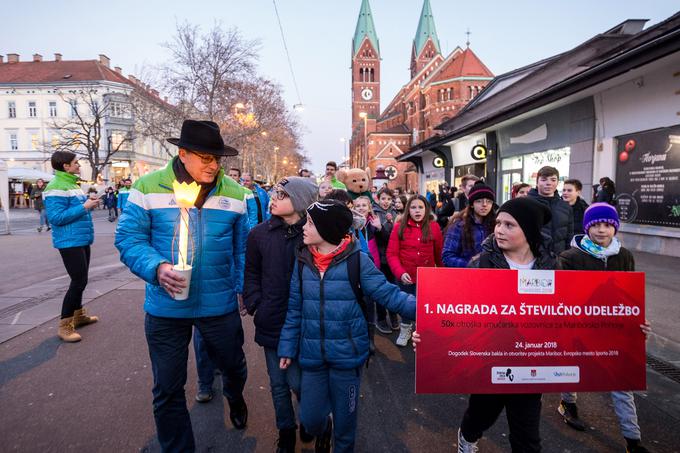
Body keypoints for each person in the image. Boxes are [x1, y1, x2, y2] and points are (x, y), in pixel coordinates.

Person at [115, 120, 250, 452]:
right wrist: (156, 267)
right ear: (183, 153)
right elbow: (129, 238)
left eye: (218, 158)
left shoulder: (235, 192)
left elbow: (243, 247)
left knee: (234, 365)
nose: (214, 165)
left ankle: (234, 394)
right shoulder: (147, 187)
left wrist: (244, 286)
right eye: (205, 157)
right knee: (167, 388)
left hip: (219, 304)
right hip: (166, 306)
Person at [415, 196, 555, 453]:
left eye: (509, 225)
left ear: (530, 230)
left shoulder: (552, 265)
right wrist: (429, 332)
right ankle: (467, 436)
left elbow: (571, 311)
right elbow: (458, 309)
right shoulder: (481, 262)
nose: (499, 229)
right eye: (498, 223)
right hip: (489, 358)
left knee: (527, 437)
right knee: (481, 414)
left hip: (530, 362)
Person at [277, 200, 416, 453]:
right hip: (312, 358)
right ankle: (324, 429)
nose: (303, 228)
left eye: (309, 223)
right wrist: (287, 347)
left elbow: (390, 296)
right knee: (311, 420)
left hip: (347, 358)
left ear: (328, 230)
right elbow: (294, 308)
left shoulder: (357, 261)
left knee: (345, 425)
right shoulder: (301, 262)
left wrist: (431, 309)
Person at [557, 202, 651, 453]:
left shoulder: (625, 256)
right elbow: (563, 296)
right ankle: (568, 403)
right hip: (579, 326)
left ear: (615, 228)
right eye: (596, 225)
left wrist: (637, 320)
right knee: (572, 368)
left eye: (608, 225)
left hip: (615, 330)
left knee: (622, 381)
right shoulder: (570, 257)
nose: (601, 230)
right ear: (587, 227)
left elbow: (630, 295)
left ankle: (633, 440)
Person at [243, 176, 318, 453]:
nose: (273, 198)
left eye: (282, 195)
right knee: (277, 383)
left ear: (299, 202)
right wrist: (256, 304)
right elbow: (251, 273)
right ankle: (285, 430)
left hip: (306, 321)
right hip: (272, 319)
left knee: (301, 381)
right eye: (274, 192)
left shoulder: (313, 235)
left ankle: (311, 420)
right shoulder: (259, 234)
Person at [44, 151, 99, 342]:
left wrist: (88, 203)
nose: (78, 165)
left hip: (81, 239)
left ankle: (78, 316)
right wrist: (85, 206)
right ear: (65, 166)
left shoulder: (70, 183)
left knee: (82, 280)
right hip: (69, 241)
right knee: (78, 281)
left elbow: (73, 210)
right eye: (75, 162)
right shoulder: (55, 186)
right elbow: (56, 218)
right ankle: (64, 326)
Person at [387, 194, 443, 346]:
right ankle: (405, 329)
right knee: (406, 304)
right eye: (413, 207)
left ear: (426, 209)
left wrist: (442, 274)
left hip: (427, 276)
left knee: (425, 306)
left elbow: (439, 253)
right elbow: (392, 254)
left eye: (420, 207)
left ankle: (423, 332)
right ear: (408, 210)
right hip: (406, 275)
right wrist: (400, 272)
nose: (417, 211)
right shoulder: (399, 227)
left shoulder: (434, 227)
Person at [442, 181, 496, 268]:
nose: (485, 205)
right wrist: (472, 264)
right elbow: (447, 257)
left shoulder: (497, 224)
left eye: (489, 201)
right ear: (472, 204)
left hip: (492, 275)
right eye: (479, 201)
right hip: (467, 276)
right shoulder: (459, 225)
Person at [372, 187, 400, 333]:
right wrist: (381, 229)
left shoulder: (395, 213)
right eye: (383, 198)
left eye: (389, 199)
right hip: (380, 257)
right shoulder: (374, 213)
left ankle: (393, 315)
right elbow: (382, 237)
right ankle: (381, 318)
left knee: (393, 288)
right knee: (381, 289)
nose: (386, 202)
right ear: (378, 199)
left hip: (393, 257)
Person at [528, 166, 574, 254]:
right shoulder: (526, 204)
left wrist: (567, 256)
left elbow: (569, 235)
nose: (548, 183)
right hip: (534, 256)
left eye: (553, 180)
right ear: (537, 182)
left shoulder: (565, 207)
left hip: (559, 257)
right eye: (544, 180)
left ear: (557, 182)